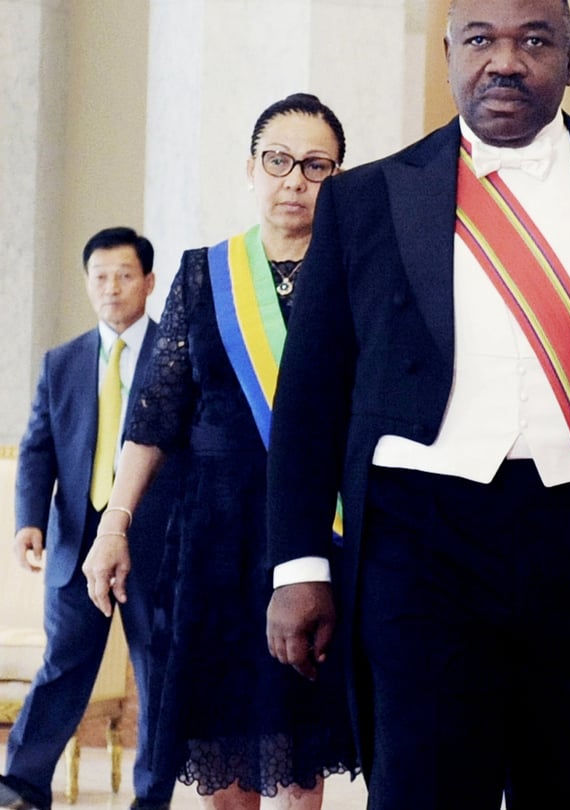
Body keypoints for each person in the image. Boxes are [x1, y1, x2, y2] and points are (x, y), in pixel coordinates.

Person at [261, 1, 570, 807]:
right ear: (448, 55)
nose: (505, 61)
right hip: (419, 545)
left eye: (533, 41)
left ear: (569, 58)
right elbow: (309, 402)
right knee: (425, 788)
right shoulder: (366, 201)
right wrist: (296, 565)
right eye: (481, 40)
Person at [81, 93, 356, 809]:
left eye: (315, 165)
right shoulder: (206, 274)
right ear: (251, 168)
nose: (294, 179)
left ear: (337, 176)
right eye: (278, 160)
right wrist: (115, 524)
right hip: (216, 539)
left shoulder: (356, 275)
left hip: (315, 533)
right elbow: (154, 417)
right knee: (222, 737)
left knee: (301, 742)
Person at [0, 228, 178, 810]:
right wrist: (30, 518)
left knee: (157, 676)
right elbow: (37, 448)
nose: (112, 287)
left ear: (149, 283)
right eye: (100, 276)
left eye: (125, 275)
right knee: (63, 667)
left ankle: (150, 797)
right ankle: (21, 785)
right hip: (76, 542)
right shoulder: (62, 362)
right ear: (87, 283)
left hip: (155, 543)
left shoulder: (176, 357)